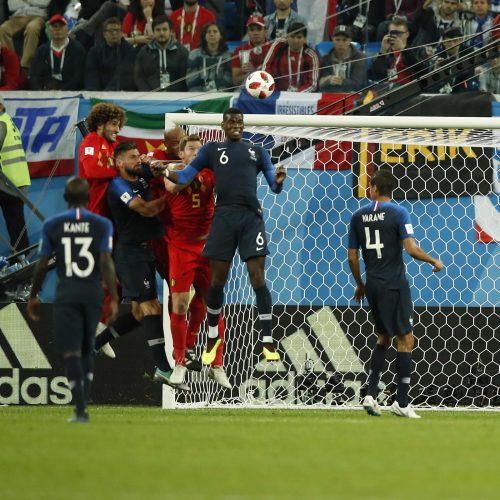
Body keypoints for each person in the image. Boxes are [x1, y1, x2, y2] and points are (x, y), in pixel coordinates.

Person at [163, 108, 286, 364]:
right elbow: (185, 175)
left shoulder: (257, 151)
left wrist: (280, 181)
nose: (236, 125)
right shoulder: (211, 151)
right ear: (223, 125)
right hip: (224, 218)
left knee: (257, 276)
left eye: (239, 121)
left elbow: (274, 187)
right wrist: (163, 170)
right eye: (231, 121)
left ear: (243, 124)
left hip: (251, 218)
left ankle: (267, 339)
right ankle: (211, 338)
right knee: (217, 282)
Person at [347, 170, 443, 418]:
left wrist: (361, 284)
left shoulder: (358, 216)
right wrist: (433, 260)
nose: (369, 190)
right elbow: (411, 249)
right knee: (406, 340)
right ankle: (401, 402)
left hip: (373, 285)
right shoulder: (399, 212)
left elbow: (352, 256)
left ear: (375, 189)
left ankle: (369, 394)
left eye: (370, 187)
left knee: (383, 337)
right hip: (394, 285)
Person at [27, 177, 119, 423]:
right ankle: (82, 405)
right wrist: (114, 298)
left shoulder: (52, 224)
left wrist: (33, 295)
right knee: (87, 346)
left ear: (66, 199)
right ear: (88, 199)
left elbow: (42, 264)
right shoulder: (102, 224)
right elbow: (106, 261)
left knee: (69, 351)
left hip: (67, 293)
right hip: (92, 293)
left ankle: (80, 409)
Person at [107, 141, 188, 390]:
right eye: (132, 157)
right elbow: (143, 209)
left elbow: (161, 168)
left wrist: (186, 165)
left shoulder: (139, 174)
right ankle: (163, 368)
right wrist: (169, 198)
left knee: (141, 313)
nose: (137, 160)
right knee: (151, 308)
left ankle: (94, 343)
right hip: (130, 254)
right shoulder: (118, 185)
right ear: (119, 162)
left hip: (147, 250)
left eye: (138, 156)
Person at [164, 134, 230, 389]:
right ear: (181, 153)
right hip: (181, 246)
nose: (196, 153)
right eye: (191, 149)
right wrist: (185, 169)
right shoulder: (172, 171)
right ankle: (180, 363)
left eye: (199, 150)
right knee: (180, 304)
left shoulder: (212, 173)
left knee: (213, 304)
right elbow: (174, 187)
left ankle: (217, 364)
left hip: (208, 246)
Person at [0, 99, 31, 253]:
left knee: (16, 228)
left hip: (6, 183)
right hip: (15, 182)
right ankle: (23, 263)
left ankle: (21, 261)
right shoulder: (7, 120)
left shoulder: (1, 123)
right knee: (17, 228)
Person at [29, 14, 86, 91]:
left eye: (61, 26)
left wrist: (61, 92)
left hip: (70, 94)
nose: (58, 29)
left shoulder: (78, 49)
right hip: (45, 94)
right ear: (49, 29)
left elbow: (78, 77)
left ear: (67, 28)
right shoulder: (42, 51)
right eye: (54, 26)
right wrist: (40, 92)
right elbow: (34, 76)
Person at [134, 14, 188, 91]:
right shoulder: (144, 52)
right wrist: (149, 93)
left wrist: (172, 93)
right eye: (158, 30)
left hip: (175, 96)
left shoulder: (182, 51)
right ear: (153, 32)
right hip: (150, 96)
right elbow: (139, 77)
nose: (161, 33)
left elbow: (185, 78)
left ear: (170, 31)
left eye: (164, 29)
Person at [262, 21, 320, 92]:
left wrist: (296, 95)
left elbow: (313, 84)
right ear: (287, 37)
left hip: (302, 96)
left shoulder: (311, 55)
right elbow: (266, 67)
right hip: (277, 92)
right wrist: (271, 88)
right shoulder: (279, 46)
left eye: (299, 37)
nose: (295, 41)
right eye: (292, 36)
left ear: (305, 39)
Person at [371, 16, 428, 88]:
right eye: (392, 33)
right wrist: (382, 53)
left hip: (410, 92)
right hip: (388, 92)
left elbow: (422, 75)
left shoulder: (416, 51)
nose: (395, 36)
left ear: (407, 34)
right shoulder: (386, 54)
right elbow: (377, 76)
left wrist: (404, 49)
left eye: (398, 33)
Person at [85, 16, 137, 91]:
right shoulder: (94, 52)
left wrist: (109, 92)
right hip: (98, 92)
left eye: (117, 30)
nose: (114, 33)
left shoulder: (130, 51)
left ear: (121, 33)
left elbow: (125, 76)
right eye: (110, 31)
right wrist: (94, 92)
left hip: (121, 92)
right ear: (104, 34)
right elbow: (91, 75)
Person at [0, 0, 49, 73]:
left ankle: (25, 67)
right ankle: (12, 63)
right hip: (18, 16)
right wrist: (34, 2)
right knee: (3, 29)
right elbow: (12, 6)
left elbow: (45, 3)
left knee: (32, 28)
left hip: (39, 15)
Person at [318, 25, 367, 93]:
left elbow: (358, 84)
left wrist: (340, 81)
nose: (340, 44)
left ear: (350, 40)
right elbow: (321, 84)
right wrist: (329, 80)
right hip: (332, 96)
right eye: (337, 40)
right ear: (332, 39)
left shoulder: (360, 58)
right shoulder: (326, 59)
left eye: (344, 40)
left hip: (354, 97)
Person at [186, 22, 232, 92]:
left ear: (221, 36)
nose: (211, 34)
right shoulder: (194, 54)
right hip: (197, 95)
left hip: (220, 96)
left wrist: (218, 94)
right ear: (204, 36)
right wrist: (199, 95)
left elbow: (228, 80)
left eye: (215, 31)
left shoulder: (228, 56)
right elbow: (191, 79)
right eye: (208, 32)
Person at [434, 27, 478, 93]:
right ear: (443, 42)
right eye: (448, 41)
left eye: (455, 41)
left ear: (461, 40)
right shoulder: (439, 55)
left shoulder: (468, 52)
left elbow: (469, 76)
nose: (452, 45)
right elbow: (436, 83)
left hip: (463, 93)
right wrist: (437, 70)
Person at [231, 13, 271, 87]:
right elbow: (235, 81)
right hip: (245, 89)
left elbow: (278, 78)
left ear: (266, 31)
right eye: (252, 30)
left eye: (259, 29)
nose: (255, 33)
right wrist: (246, 73)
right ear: (248, 33)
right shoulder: (239, 50)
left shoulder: (273, 48)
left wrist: (254, 71)